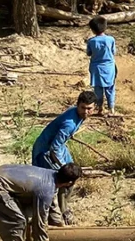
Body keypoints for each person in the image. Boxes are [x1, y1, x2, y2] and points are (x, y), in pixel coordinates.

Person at [31, 91, 96, 226]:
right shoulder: (69, 124)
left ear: (94, 107)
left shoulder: (76, 114)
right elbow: (53, 149)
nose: (85, 112)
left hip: (59, 147)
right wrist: (63, 168)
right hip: (46, 151)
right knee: (62, 179)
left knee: (72, 177)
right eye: (83, 108)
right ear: (77, 105)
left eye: (89, 108)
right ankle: (59, 213)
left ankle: (63, 207)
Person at [0, 163, 82, 241]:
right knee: (18, 222)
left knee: (26, 215)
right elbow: (40, 223)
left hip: (0, 174)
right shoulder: (46, 189)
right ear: (69, 183)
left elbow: (53, 205)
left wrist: (60, 226)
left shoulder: (52, 176)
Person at [86, 17, 117, 116]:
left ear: (92, 29)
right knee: (110, 88)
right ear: (105, 27)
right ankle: (111, 109)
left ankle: (100, 108)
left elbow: (89, 53)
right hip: (109, 67)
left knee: (97, 89)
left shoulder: (91, 41)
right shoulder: (111, 39)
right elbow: (113, 52)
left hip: (96, 68)